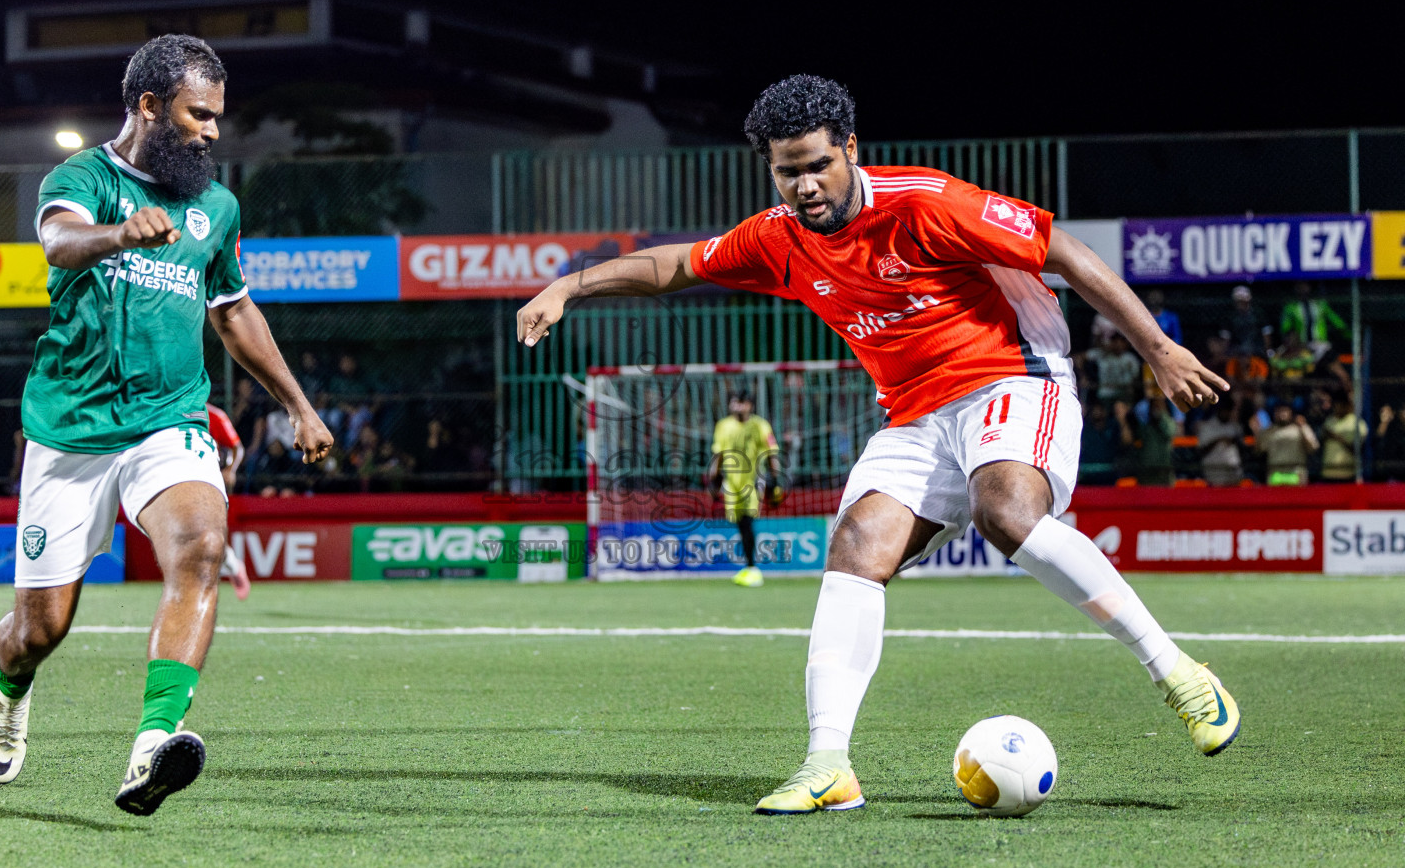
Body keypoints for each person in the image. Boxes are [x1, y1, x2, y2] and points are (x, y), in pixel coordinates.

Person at [516, 74, 1240, 814]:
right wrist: (570, 287)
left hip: (1014, 377)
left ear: (850, 149)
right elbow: (677, 265)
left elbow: (1066, 253)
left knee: (1006, 513)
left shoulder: (926, 203)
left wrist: (1157, 350)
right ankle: (828, 765)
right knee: (857, 541)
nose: (803, 185)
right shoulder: (780, 238)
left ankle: (1178, 672)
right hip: (915, 416)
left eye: (815, 164)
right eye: (785, 170)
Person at [0, 35, 333, 816]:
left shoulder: (217, 205)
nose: (212, 131)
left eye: (217, 117)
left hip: (166, 420)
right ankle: (7, 689)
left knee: (203, 545)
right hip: (69, 432)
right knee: (40, 630)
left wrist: (296, 403)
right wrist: (118, 234)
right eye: (197, 115)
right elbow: (59, 241)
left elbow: (233, 309)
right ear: (147, 105)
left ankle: (152, 746)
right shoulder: (84, 178)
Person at [704, 391, 785, 588]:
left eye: (742, 403)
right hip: (732, 482)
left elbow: (771, 453)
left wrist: (776, 479)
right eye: (735, 403)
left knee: (748, 521)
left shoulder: (759, 425)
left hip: (753, 479)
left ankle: (752, 568)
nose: (738, 407)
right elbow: (718, 453)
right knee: (740, 523)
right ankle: (749, 567)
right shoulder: (723, 426)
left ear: (750, 405)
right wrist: (713, 479)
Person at [206, 402, 251, 598]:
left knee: (209, 532)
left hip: (208, 476)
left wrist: (230, 470)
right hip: (176, 477)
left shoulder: (214, 415)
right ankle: (231, 565)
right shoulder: (167, 408)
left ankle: (232, 566)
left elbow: (237, 447)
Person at [1254, 402, 1318, 485]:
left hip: (1296, 471)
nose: (1282, 414)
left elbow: (1313, 447)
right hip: (1275, 472)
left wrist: (1303, 426)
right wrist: (1257, 432)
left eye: (1284, 411)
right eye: (1279, 411)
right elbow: (1259, 449)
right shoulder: (1268, 432)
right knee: (1275, 497)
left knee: (1298, 497)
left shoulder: (1299, 429)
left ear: (1291, 413)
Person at [1319, 389, 1367, 483]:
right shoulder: (1329, 421)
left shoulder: (1356, 423)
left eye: (1340, 405)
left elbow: (1358, 450)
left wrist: (1336, 437)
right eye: (1335, 405)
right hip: (1328, 473)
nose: (1337, 408)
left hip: (1348, 474)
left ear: (1347, 405)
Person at [1196, 400, 1246, 487]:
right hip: (1214, 471)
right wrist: (1219, 440)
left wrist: (1233, 440)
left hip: (1232, 470)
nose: (1226, 413)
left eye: (1228, 411)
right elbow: (1201, 450)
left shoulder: (1235, 426)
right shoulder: (1208, 427)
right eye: (1224, 411)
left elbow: (1243, 449)